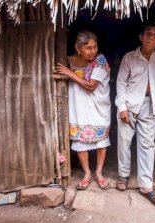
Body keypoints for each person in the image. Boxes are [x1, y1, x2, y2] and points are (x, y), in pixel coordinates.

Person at [115, 23, 155, 208]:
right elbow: (121, 83)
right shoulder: (130, 57)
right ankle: (123, 174)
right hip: (129, 104)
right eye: (147, 34)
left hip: (150, 104)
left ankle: (146, 186)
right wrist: (121, 107)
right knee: (124, 141)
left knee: (147, 145)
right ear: (140, 37)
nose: (151, 37)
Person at [55, 30, 111, 190]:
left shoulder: (100, 60)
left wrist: (69, 74)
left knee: (101, 141)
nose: (93, 51)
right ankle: (87, 173)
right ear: (78, 48)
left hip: (98, 106)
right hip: (77, 107)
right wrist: (67, 71)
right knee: (80, 140)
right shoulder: (69, 61)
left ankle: (99, 173)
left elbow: (91, 86)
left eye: (95, 46)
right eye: (88, 48)